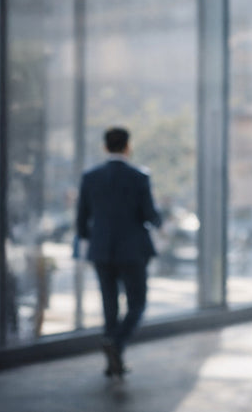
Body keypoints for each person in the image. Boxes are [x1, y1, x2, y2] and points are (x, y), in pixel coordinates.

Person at [76, 127, 161, 377]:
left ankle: (113, 356)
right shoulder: (139, 176)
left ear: (105, 147)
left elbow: (82, 218)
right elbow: (150, 215)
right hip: (133, 250)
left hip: (101, 249)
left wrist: (91, 240)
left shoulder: (90, 177)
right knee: (137, 303)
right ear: (128, 146)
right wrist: (159, 220)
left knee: (109, 304)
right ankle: (117, 343)